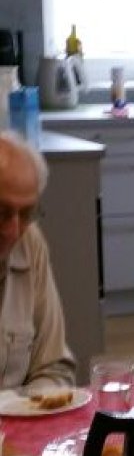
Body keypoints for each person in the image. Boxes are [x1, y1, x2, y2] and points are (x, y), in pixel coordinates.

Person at [0, 133, 74, 391]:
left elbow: (54, 366)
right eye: (1, 212)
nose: (13, 230)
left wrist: (36, 401)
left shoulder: (29, 242)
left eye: (26, 213)